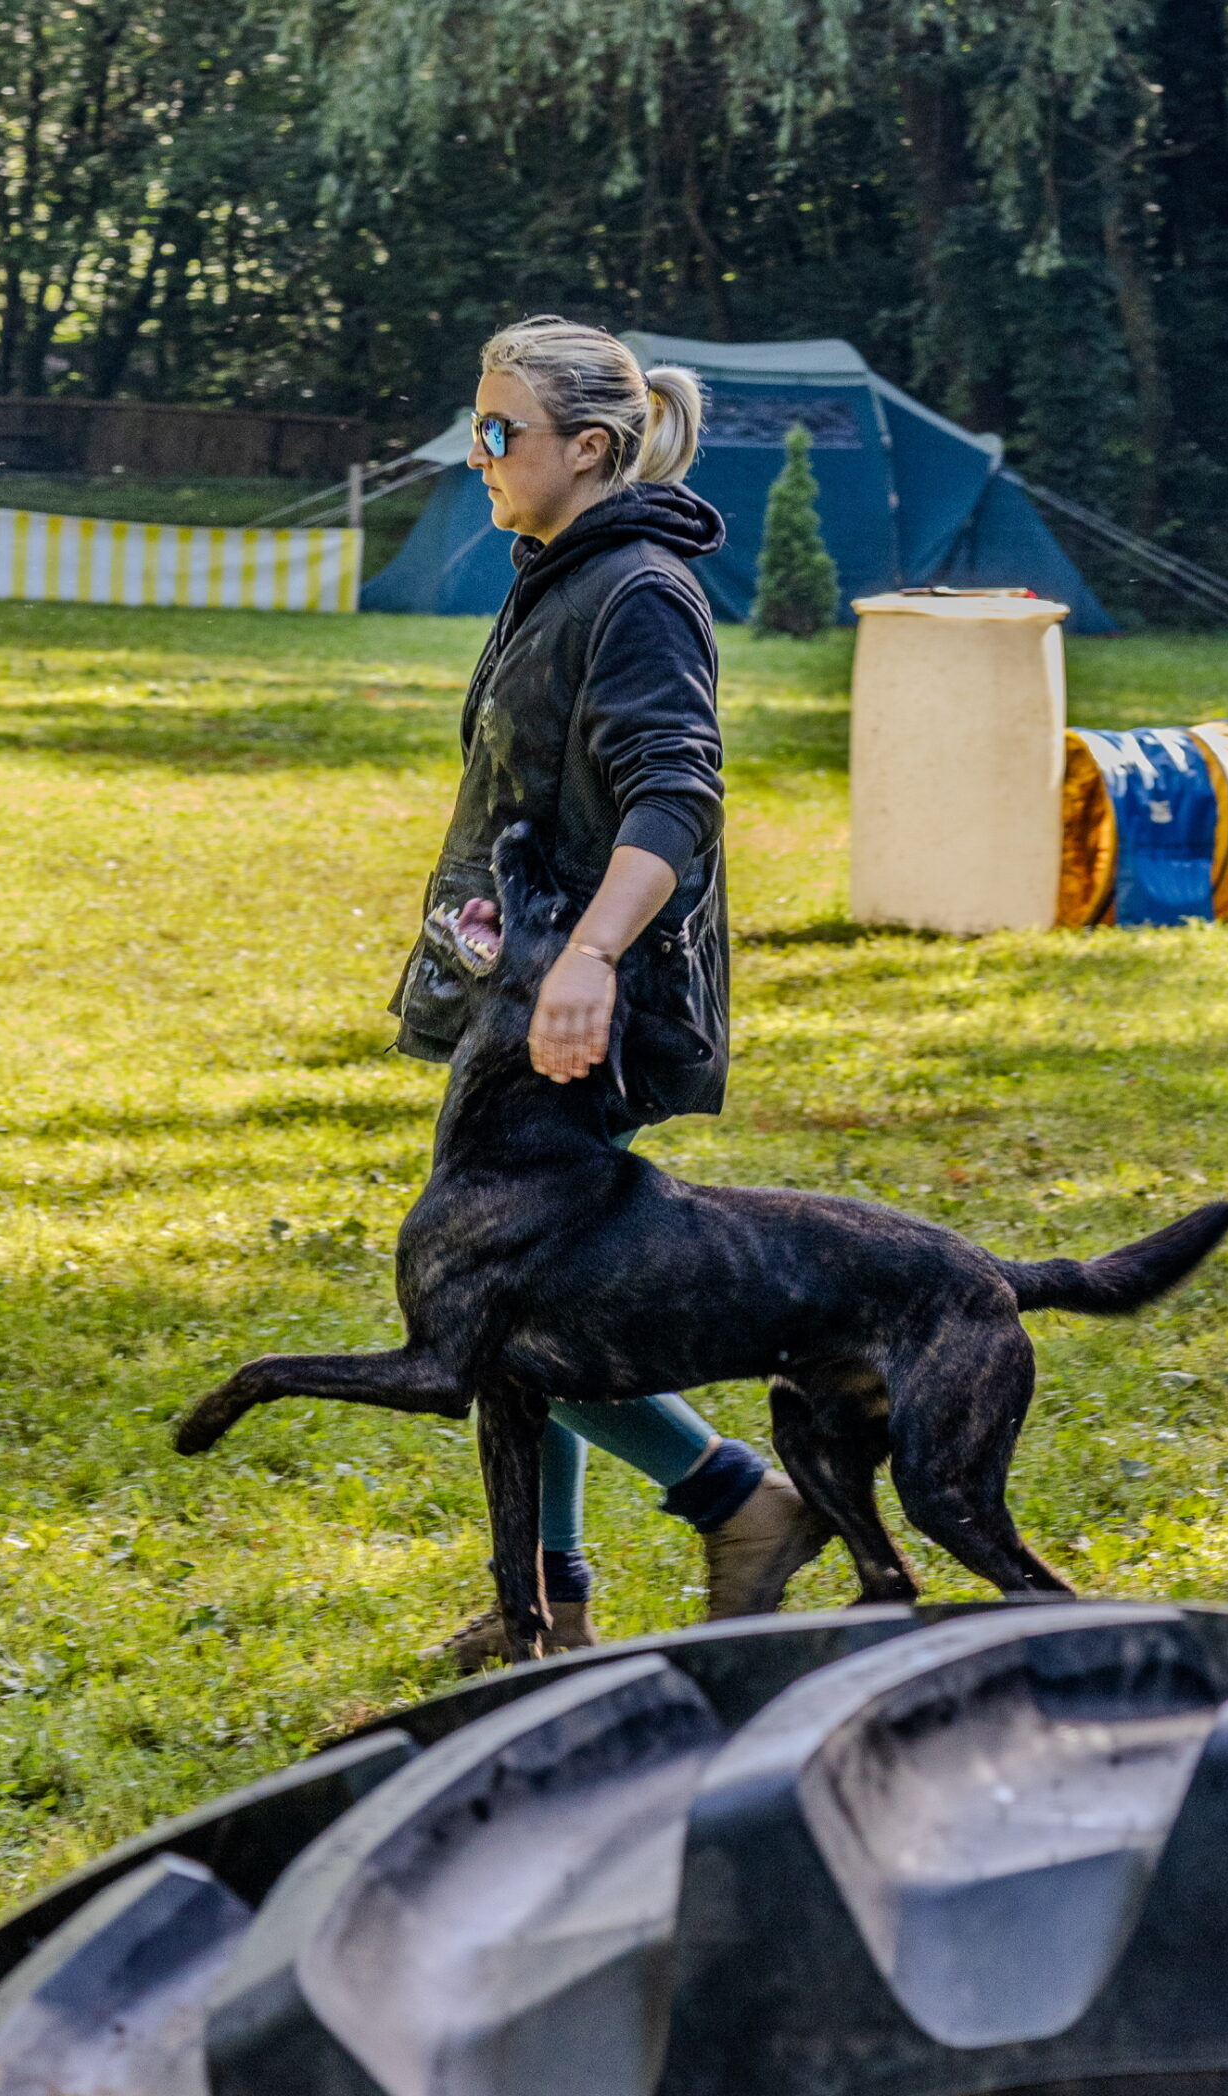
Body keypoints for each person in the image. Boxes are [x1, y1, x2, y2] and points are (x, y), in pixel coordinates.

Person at [392, 315, 827, 1665]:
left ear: (587, 447)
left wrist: (586, 959)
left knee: (500, 1306)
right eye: (476, 424)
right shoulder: (560, 573)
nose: (477, 451)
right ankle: (552, 1593)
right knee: (517, 1292)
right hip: (524, 991)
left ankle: (737, 1500)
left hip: (586, 1010)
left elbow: (675, 797)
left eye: (498, 429)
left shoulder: (636, 589)